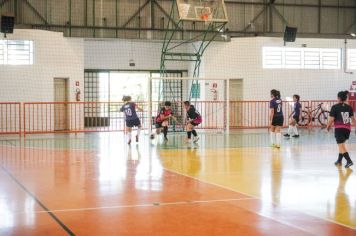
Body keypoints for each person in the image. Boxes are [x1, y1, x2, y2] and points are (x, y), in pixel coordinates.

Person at [327, 91, 355, 168]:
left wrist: (328, 126)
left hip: (339, 129)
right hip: (347, 129)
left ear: (338, 98)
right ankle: (339, 161)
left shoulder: (335, 107)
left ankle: (349, 161)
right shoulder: (349, 107)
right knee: (341, 145)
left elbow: (331, 119)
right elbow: (353, 119)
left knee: (341, 146)